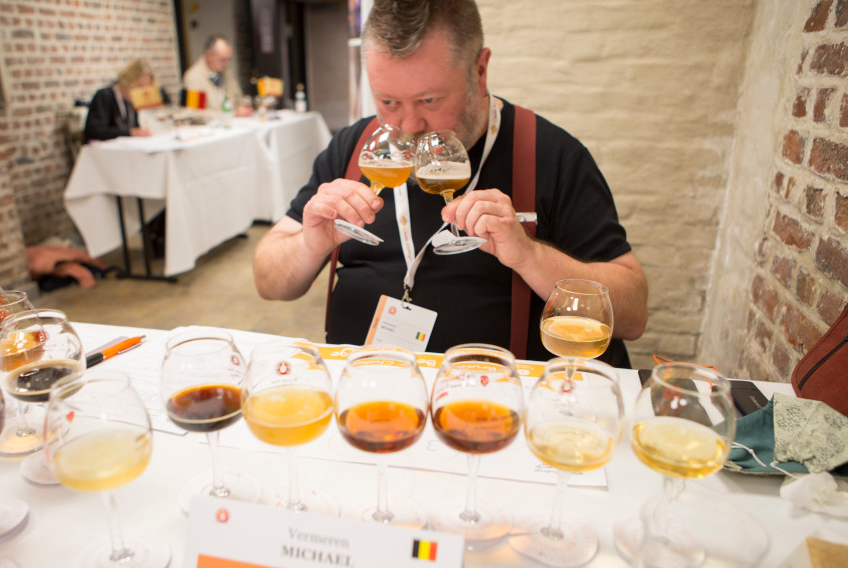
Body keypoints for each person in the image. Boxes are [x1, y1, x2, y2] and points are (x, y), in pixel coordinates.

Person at [252, 0, 648, 367]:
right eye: (388, 101)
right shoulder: (354, 148)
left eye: (428, 101)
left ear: (480, 69)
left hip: (493, 411)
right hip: (366, 395)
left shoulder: (552, 155)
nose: (407, 125)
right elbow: (269, 282)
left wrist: (529, 256)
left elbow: (632, 314)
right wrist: (310, 243)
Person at [84, 59, 160, 142]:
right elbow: (94, 131)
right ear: (127, 78)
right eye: (139, 86)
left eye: (145, 88)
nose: (141, 92)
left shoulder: (131, 101)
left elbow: (134, 127)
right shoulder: (104, 96)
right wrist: (130, 133)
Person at [182, 34, 252, 116]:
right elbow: (194, 112)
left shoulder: (225, 71)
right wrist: (229, 114)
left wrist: (244, 108)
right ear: (208, 55)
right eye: (222, 59)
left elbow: (239, 98)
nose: (227, 63)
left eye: (229, 59)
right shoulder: (193, 76)